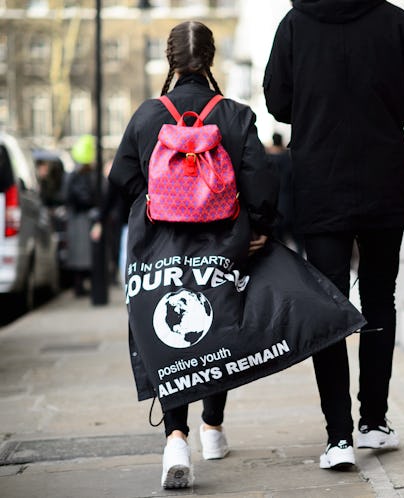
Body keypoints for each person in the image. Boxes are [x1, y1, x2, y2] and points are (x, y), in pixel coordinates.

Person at [264, 0, 404, 470]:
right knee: (381, 298)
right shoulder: (395, 21)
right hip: (382, 176)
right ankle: (374, 423)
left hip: (319, 181)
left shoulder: (295, 25)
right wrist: (379, 106)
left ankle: (337, 437)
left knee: (328, 308)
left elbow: (277, 102)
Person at [108, 21, 278, 489]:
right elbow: (261, 183)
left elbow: (120, 177)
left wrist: (152, 199)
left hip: (159, 243)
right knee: (216, 327)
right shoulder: (235, 114)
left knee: (171, 331)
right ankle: (213, 427)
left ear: (171, 61)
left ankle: (175, 438)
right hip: (223, 241)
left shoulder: (147, 116)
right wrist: (259, 227)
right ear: (211, 58)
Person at [65, 135, 98, 297]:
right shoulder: (82, 176)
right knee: (84, 255)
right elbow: (83, 196)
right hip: (82, 219)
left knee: (80, 256)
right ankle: (80, 287)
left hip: (77, 219)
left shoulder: (74, 175)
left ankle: (79, 286)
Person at [266, 131, 303, 253]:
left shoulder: (267, 159)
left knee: (278, 241)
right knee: (297, 240)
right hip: (290, 202)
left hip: (274, 203)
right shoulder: (287, 159)